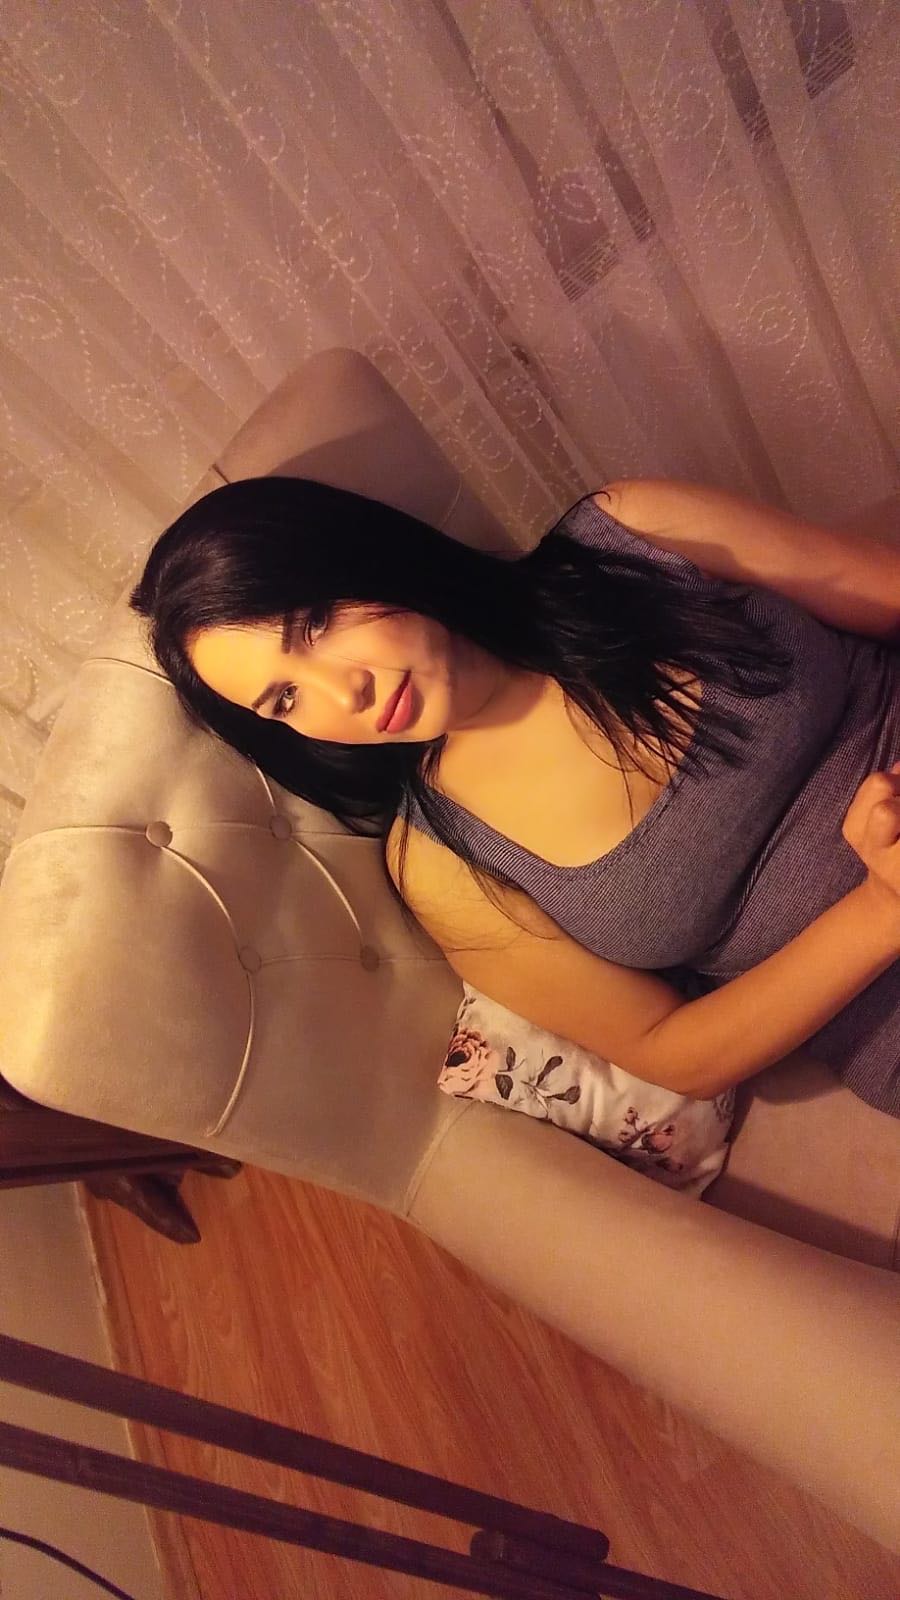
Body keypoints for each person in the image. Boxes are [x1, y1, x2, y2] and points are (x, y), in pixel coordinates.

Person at [130, 475, 900, 1118]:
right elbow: (676, 1055)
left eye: (316, 623)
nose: (344, 694)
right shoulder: (442, 862)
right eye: (286, 699)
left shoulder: (630, 537)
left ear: (366, 557)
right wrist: (879, 909)